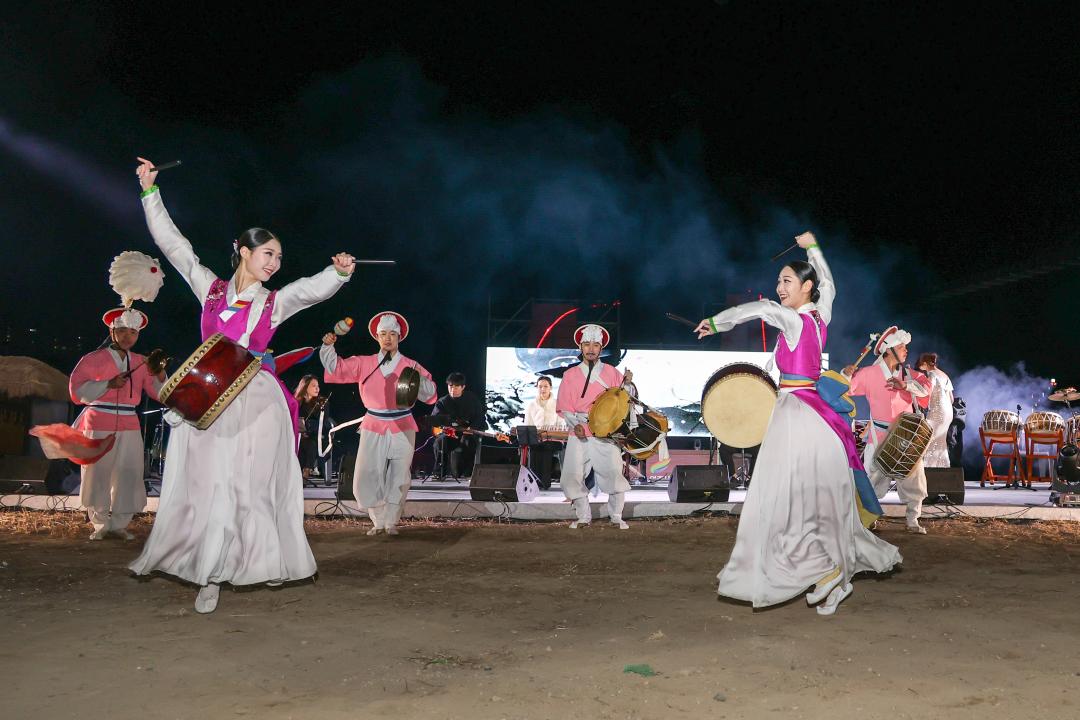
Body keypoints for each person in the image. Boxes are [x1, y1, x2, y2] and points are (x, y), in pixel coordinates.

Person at [128, 157, 356, 614]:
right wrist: (150, 194)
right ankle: (209, 573)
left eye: (279, 257)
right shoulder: (210, 289)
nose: (275, 262)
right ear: (244, 252)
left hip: (255, 398)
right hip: (208, 397)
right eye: (268, 254)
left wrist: (340, 273)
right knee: (208, 486)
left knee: (248, 488)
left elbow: (310, 289)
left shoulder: (274, 301)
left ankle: (251, 561)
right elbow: (176, 248)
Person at [695, 231, 901, 615]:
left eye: (787, 281)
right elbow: (830, 285)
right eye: (778, 281)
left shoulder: (791, 318)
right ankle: (833, 575)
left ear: (806, 288)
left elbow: (757, 310)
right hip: (818, 417)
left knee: (782, 498)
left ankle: (818, 567)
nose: (779, 287)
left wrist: (715, 322)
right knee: (820, 499)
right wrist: (814, 248)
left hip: (795, 411)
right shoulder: (821, 318)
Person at [320, 311, 436, 535]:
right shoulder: (365, 363)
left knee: (399, 476)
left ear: (399, 336)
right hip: (373, 423)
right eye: (383, 334)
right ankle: (378, 520)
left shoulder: (410, 364)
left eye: (392, 333)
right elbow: (337, 368)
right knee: (366, 474)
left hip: (403, 424)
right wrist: (327, 347)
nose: (388, 338)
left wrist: (417, 379)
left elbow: (429, 393)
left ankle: (391, 522)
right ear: (377, 336)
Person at [69, 307, 166, 540]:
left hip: (129, 421)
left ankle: (120, 523)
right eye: (122, 331)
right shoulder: (93, 359)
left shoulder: (142, 363)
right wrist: (107, 385)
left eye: (132, 332)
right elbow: (76, 391)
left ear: (138, 335)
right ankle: (100, 524)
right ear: (112, 331)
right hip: (98, 418)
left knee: (129, 472)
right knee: (97, 471)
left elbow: (159, 393)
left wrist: (161, 374)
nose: (127, 337)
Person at [844, 327, 931, 533]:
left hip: (906, 436)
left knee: (913, 477)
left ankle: (913, 520)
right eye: (901, 347)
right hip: (879, 434)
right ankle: (869, 516)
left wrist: (905, 386)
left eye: (905, 347)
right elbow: (847, 389)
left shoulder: (910, 375)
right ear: (888, 350)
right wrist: (845, 375)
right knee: (872, 477)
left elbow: (927, 389)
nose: (905, 350)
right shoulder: (868, 374)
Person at [556, 324, 633, 530]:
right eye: (587, 344)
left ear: (601, 348)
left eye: (595, 345)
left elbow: (625, 400)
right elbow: (564, 405)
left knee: (614, 472)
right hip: (579, 429)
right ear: (580, 347)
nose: (591, 348)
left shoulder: (611, 372)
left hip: (605, 432)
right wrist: (575, 425)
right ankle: (583, 516)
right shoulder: (570, 374)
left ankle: (616, 515)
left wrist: (628, 384)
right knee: (572, 474)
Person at [430, 372, 487, 479]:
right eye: (450, 386)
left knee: (468, 440)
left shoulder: (472, 399)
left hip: (469, 434)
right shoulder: (442, 402)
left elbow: (480, 417)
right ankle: (439, 472)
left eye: (456, 387)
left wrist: (471, 428)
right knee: (439, 442)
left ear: (463, 387)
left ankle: (467, 472)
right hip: (451, 435)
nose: (453, 389)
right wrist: (445, 429)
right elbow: (435, 421)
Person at [523, 376, 566, 489]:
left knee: (546, 447)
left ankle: (544, 482)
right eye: (540, 386)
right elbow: (528, 424)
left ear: (550, 388)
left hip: (553, 439)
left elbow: (561, 424)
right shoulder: (531, 405)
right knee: (534, 447)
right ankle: (533, 482)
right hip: (537, 438)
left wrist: (550, 432)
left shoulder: (557, 404)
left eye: (545, 386)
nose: (543, 389)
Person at [916, 353, 954, 468]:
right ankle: (943, 470)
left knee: (929, 441)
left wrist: (912, 388)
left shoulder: (931, 375)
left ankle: (929, 471)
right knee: (941, 443)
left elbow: (927, 391)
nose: (919, 367)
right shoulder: (944, 375)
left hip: (938, 411)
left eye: (921, 364)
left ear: (925, 364)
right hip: (948, 412)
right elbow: (951, 398)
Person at [294, 375, 334, 483]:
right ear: (305, 387)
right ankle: (296, 473)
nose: (317, 388)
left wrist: (310, 428)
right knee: (300, 443)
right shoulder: (296, 402)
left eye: (318, 386)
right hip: (299, 436)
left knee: (311, 443)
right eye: (313, 386)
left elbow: (323, 422)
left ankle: (306, 472)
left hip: (317, 436)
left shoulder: (322, 403)